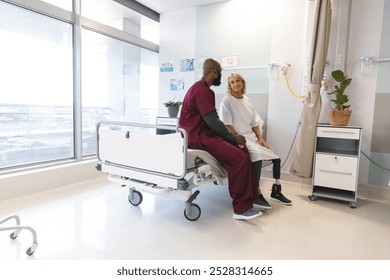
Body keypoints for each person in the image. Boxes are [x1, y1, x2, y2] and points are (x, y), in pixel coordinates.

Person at [179, 58, 261, 220]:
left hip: (201, 134)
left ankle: (252, 197)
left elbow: (213, 122)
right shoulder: (203, 91)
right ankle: (241, 208)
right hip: (198, 137)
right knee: (239, 157)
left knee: (243, 152)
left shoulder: (199, 88)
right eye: (221, 73)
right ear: (214, 71)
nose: (221, 77)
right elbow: (214, 123)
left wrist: (234, 139)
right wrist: (233, 138)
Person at [219, 73, 292, 210]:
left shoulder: (248, 100)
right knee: (257, 157)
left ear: (243, 83)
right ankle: (255, 193)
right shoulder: (226, 101)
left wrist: (260, 138)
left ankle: (276, 191)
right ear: (229, 86)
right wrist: (236, 137)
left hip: (251, 138)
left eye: (238, 81)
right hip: (237, 138)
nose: (235, 84)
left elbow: (254, 123)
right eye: (232, 82)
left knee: (275, 157)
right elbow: (227, 124)